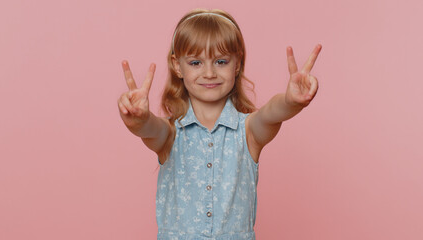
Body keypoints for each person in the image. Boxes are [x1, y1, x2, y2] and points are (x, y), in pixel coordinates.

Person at [117, 8, 321, 240]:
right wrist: (138, 119)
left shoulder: (248, 131)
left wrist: (290, 101)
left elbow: (271, 114)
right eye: (195, 62)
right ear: (177, 66)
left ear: (237, 64)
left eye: (221, 61)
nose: (209, 72)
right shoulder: (171, 134)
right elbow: (149, 128)